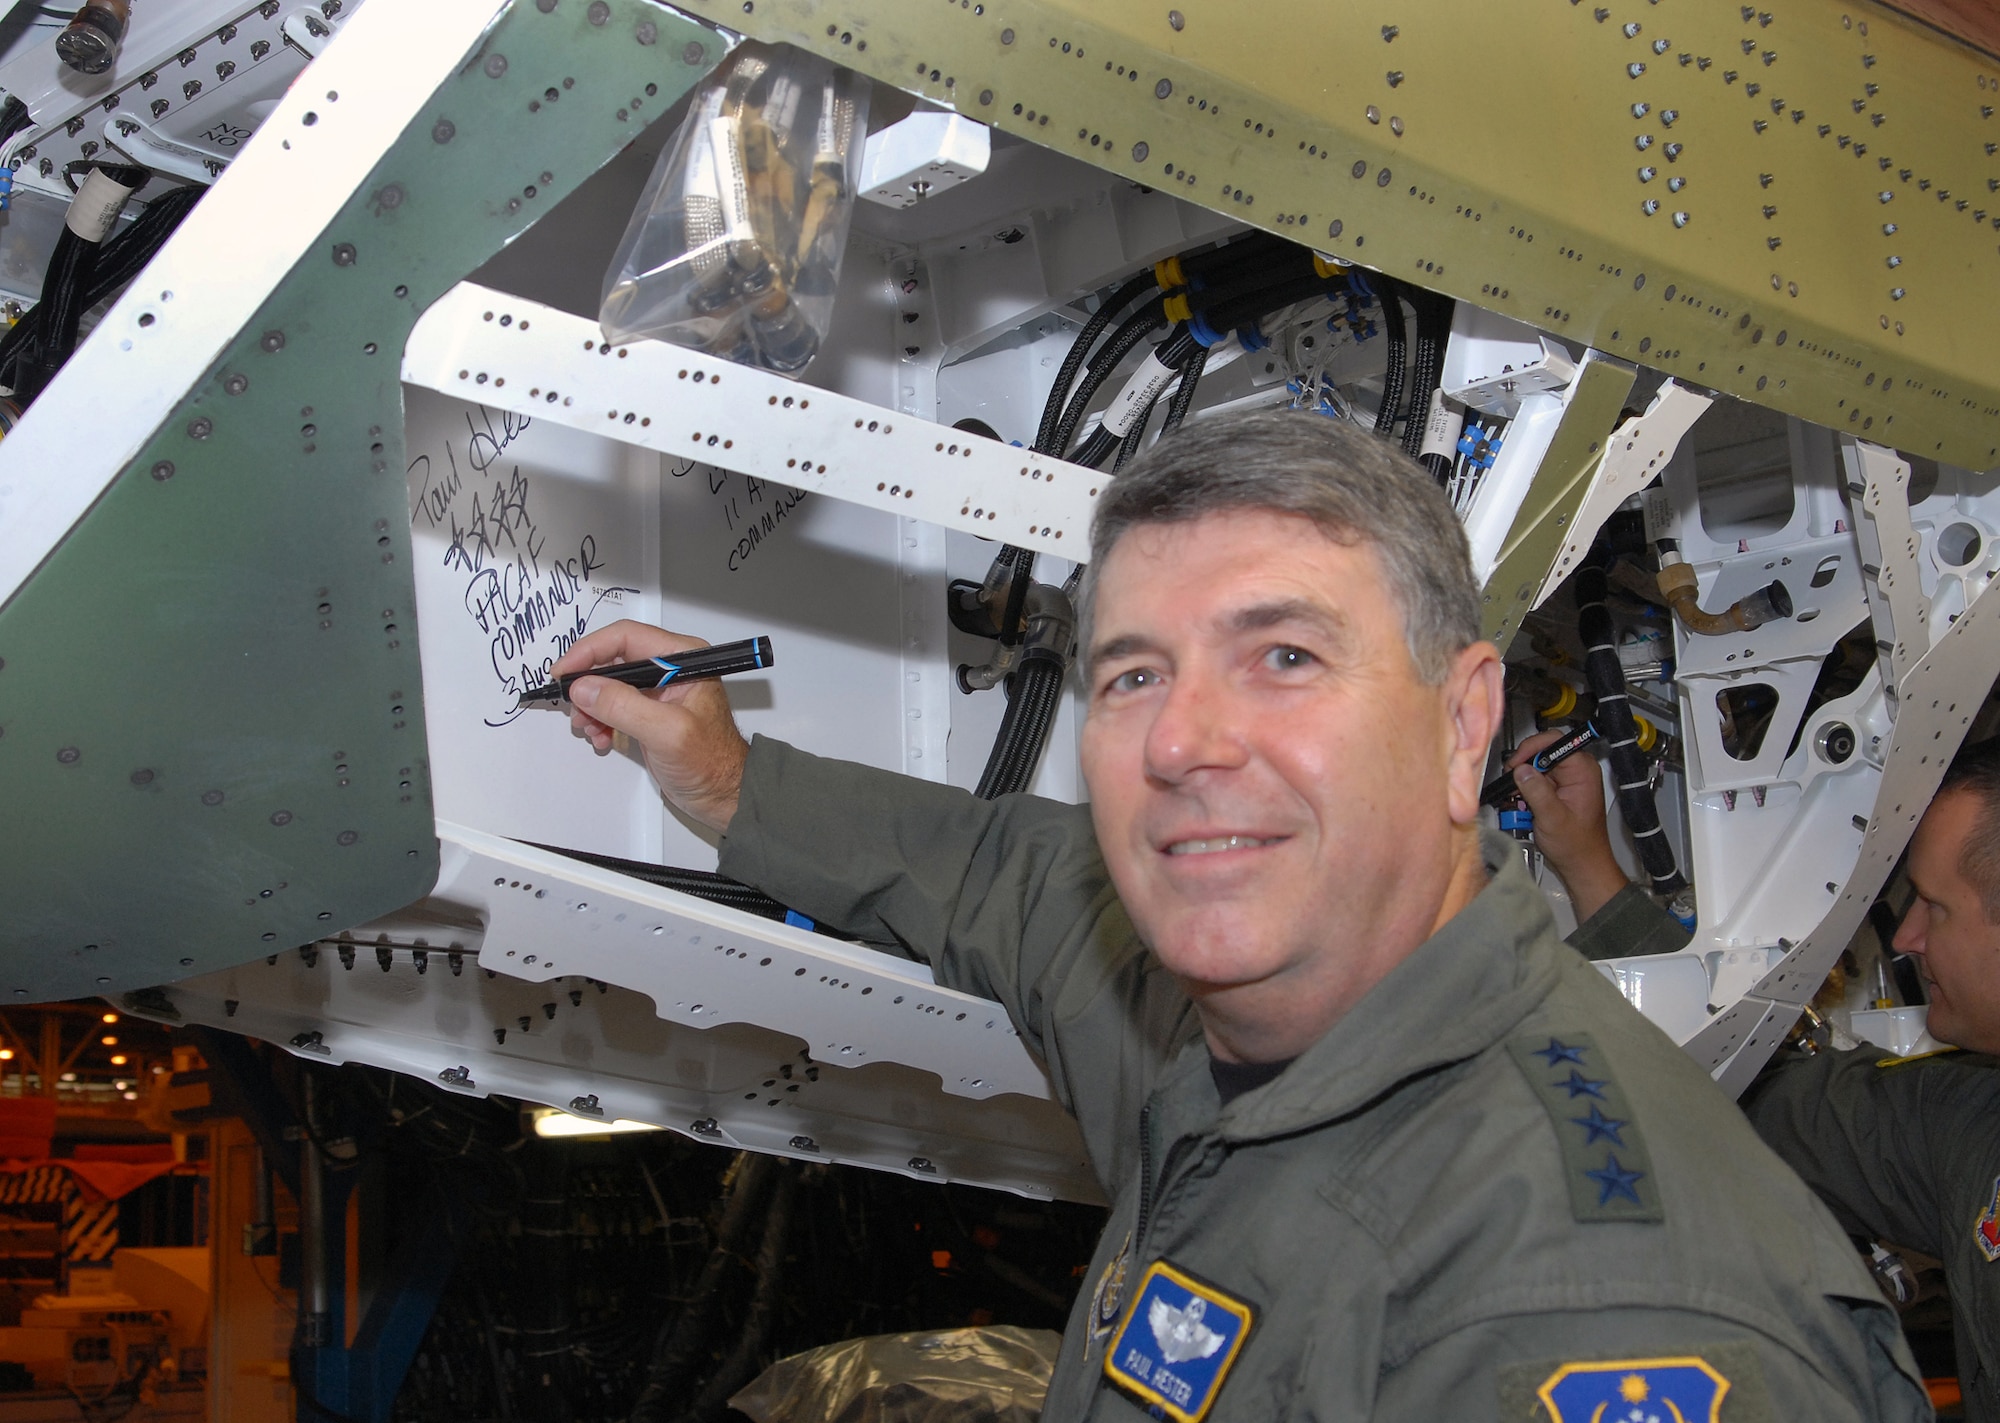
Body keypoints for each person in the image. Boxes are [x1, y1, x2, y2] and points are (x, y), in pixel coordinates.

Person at [552, 411, 1928, 1421]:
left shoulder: (1590, 1311)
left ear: (1465, 726)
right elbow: (1001, 877)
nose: (1185, 741)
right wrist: (731, 781)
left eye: (1283, 656)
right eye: (1136, 673)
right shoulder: (1212, 1007)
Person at [1521, 728, 2000, 1420]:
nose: (1906, 937)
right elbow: (1766, 1091)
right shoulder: (1968, 1127)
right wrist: (1590, 865)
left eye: (1936, 905)